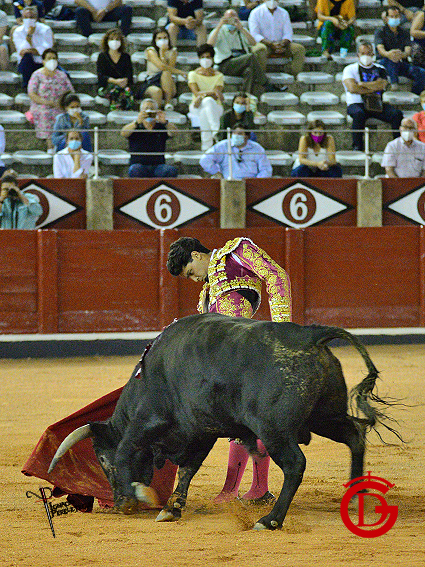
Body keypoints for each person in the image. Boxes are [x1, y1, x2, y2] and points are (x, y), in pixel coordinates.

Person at [166, 236, 292, 504]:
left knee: (254, 419)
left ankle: (254, 488)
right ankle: (234, 490)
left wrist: (282, 331)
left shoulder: (236, 252)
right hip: (223, 365)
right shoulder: (206, 295)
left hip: (248, 355)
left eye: (190, 272)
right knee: (236, 422)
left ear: (196, 255)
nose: (194, 280)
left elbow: (276, 275)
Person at [342, 40, 403, 151]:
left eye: (368, 53)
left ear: (373, 54)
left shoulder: (380, 69)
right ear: (358, 55)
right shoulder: (349, 69)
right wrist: (373, 87)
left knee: (396, 114)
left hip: (376, 103)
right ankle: (357, 147)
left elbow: (382, 85)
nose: (366, 56)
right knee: (358, 114)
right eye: (363, 53)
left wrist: (362, 84)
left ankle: (398, 145)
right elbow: (352, 88)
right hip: (356, 103)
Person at [207, 10, 277, 99]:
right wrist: (219, 26)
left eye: (234, 18)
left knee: (249, 71)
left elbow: (253, 43)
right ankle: (265, 83)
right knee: (251, 56)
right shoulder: (220, 31)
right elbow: (209, 45)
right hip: (225, 64)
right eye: (228, 18)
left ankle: (244, 97)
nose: (231, 21)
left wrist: (241, 29)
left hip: (240, 62)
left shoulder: (241, 30)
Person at [27, 47, 73, 153]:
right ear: (43, 61)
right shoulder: (37, 75)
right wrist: (48, 102)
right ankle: (50, 146)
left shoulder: (62, 75)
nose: (52, 60)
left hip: (59, 105)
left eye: (54, 58)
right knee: (46, 113)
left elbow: (70, 91)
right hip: (42, 105)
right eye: (49, 58)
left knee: (63, 115)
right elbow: (32, 93)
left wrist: (62, 103)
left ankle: (62, 144)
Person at [120, 98, 178, 178]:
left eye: (152, 109)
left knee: (171, 170)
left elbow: (174, 133)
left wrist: (165, 122)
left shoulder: (161, 127)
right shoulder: (135, 127)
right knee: (135, 169)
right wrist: (137, 122)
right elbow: (123, 133)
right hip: (139, 165)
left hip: (158, 166)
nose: (149, 111)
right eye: (146, 109)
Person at [248, 0, 305, 79]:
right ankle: (261, 79)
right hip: (264, 44)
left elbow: (288, 33)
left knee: (299, 49)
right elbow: (254, 34)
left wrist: (282, 43)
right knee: (259, 50)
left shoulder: (284, 13)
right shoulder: (255, 13)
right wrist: (270, 44)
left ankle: (293, 75)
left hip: (282, 44)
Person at [375, 7, 425, 95]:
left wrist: (402, 54)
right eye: (392, 16)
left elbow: (407, 51)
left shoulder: (404, 32)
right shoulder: (380, 31)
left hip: (400, 63)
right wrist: (389, 54)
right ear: (386, 18)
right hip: (384, 63)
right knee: (392, 60)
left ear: (400, 17)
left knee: (421, 72)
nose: (394, 18)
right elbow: (381, 49)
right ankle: (394, 84)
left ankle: (415, 94)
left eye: (396, 16)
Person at [200, 124, 272, 179]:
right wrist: (217, 172)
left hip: (252, 184)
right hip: (229, 182)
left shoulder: (257, 148)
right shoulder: (223, 146)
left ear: (247, 136)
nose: (236, 136)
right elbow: (204, 160)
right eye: (234, 133)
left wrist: (256, 181)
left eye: (240, 134)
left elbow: (266, 170)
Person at [188, 43, 224, 151]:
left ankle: (206, 146)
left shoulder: (219, 76)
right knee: (207, 101)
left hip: (215, 106)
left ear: (212, 58)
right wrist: (211, 92)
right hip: (196, 105)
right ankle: (216, 131)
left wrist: (203, 94)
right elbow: (196, 93)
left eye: (208, 57)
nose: (205, 60)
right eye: (202, 57)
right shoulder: (193, 74)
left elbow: (216, 95)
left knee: (205, 109)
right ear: (199, 59)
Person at [141, 27, 187, 110]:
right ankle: (157, 112)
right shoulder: (151, 51)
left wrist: (163, 54)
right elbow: (161, 66)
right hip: (152, 81)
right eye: (159, 38)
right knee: (157, 91)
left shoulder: (173, 51)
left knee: (166, 73)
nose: (162, 40)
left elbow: (169, 68)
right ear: (155, 40)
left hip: (168, 82)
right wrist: (161, 53)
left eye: (165, 38)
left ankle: (168, 103)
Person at [12, 5, 54, 88]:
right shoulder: (18, 31)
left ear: (36, 18)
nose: (29, 19)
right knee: (27, 57)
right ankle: (27, 87)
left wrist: (33, 48)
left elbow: (46, 50)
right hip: (26, 63)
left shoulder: (45, 29)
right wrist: (29, 36)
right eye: (26, 17)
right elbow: (22, 51)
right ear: (22, 18)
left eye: (31, 17)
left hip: (42, 61)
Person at [96, 28, 134, 111]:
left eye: (117, 39)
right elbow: (101, 76)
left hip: (122, 85)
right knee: (115, 91)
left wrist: (124, 81)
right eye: (111, 39)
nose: (114, 41)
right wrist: (115, 81)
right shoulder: (102, 56)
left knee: (126, 92)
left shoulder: (126, 57)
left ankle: (126, 112)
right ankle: (115, 111)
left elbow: (129, 74)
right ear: (107, 41)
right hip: (107, 86)